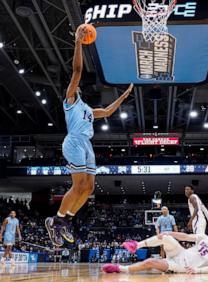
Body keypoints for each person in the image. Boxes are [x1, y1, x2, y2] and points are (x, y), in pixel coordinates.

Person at [45, 25, 134, 246]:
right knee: (78, 185)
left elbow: (107, 112)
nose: (75, 86)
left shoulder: (86, 108)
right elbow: (77, 71)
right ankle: (56, 219)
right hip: (74, 141)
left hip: (86, 145)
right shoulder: (70, 100)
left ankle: (66, 220)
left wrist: (123, 97)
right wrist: (78, 43)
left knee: (89, 187)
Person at [102, 227, 208, 274]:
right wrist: (168, 232)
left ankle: (119, 268)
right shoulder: (204, 237)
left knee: (150, 262)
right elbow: (185, 236)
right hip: (181, 253)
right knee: (165, 237)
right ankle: (137, 245)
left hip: (182, 266)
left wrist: (197, 270)